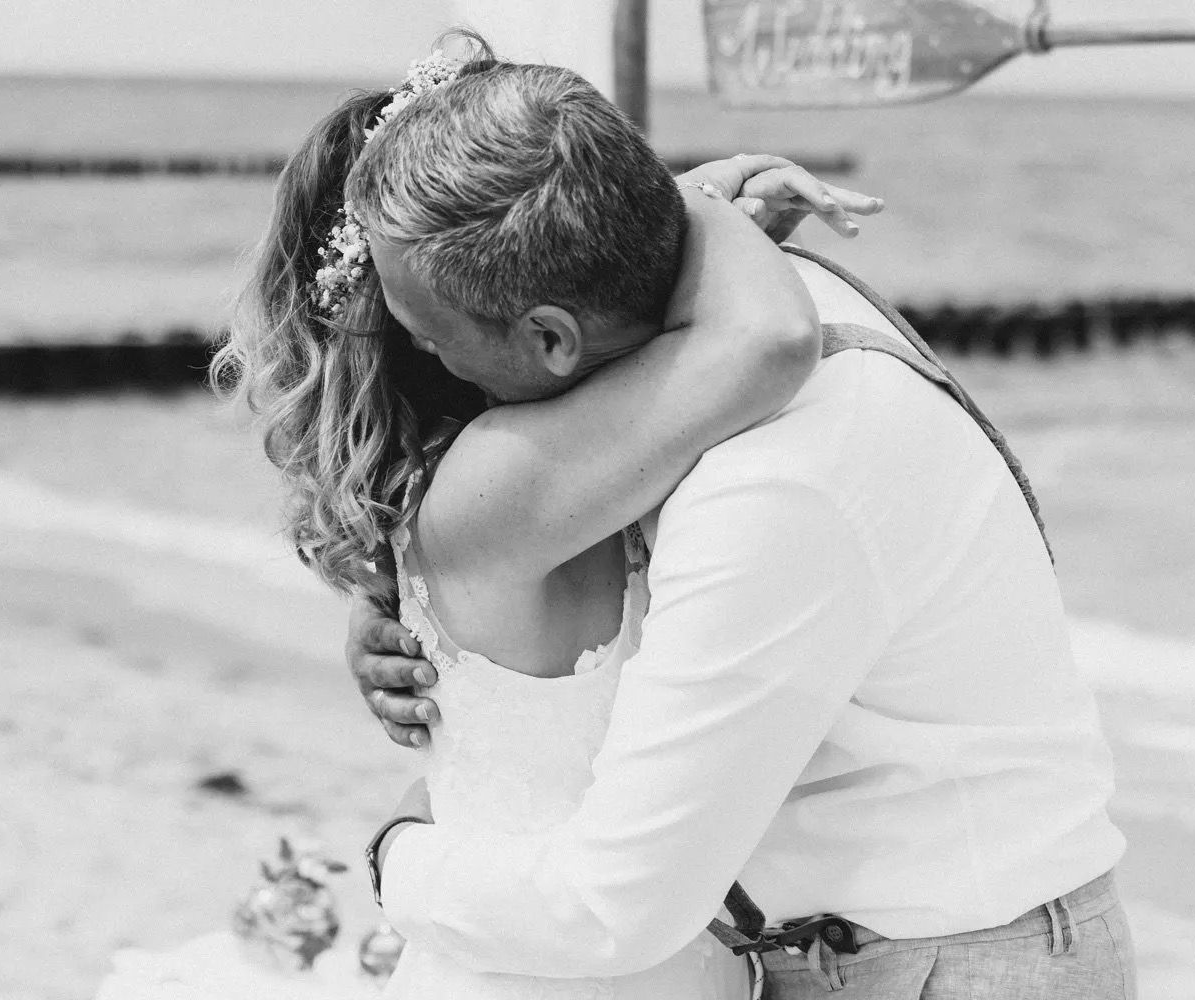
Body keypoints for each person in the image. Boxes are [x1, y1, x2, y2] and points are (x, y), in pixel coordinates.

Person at [93, 39, 886, 1000]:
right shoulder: (504, 488)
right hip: (572, 963)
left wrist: (627, 230)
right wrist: (690, 213)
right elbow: (768, 338)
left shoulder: (518, 486)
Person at [346, 47, 1139, 1000]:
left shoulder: (770, 486)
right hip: (844, 952)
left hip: (948, 967)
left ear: (553, 338)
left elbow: (617, 906)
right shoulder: (711, 326)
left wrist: (402, 853)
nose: (438, 373)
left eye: (435, 342)